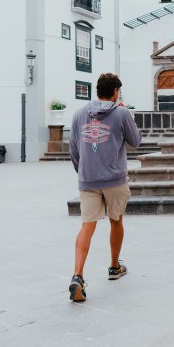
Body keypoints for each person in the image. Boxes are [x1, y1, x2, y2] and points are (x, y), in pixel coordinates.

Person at [67, 73, 142, 302]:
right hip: (115, 179)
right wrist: (124, 111)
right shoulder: (121, 112)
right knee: (116, 220)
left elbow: (73, 147)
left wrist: (84, 171)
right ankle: (113, 266)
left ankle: (77, 275)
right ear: (116, 91)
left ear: (97, 91)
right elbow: (136, 141)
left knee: (86, 227)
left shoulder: (79, 113)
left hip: (88, 179)